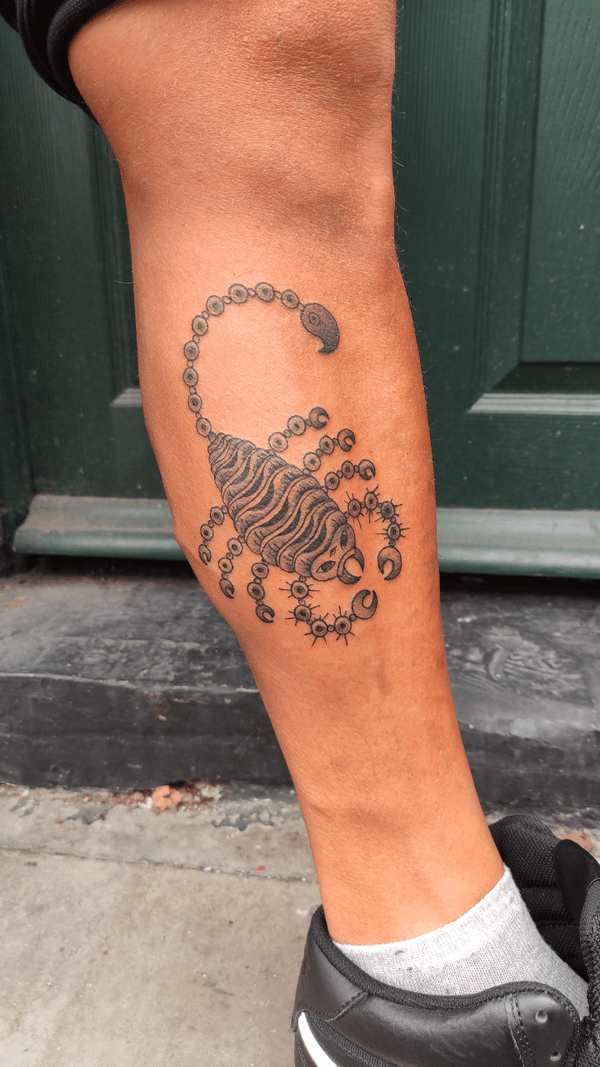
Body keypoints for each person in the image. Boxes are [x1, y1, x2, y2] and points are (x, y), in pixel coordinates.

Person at [2, 3, 599, 1063]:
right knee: (253, 46)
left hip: (288, 497)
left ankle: (437, 964)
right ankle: (427, 962)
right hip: (271, 485)